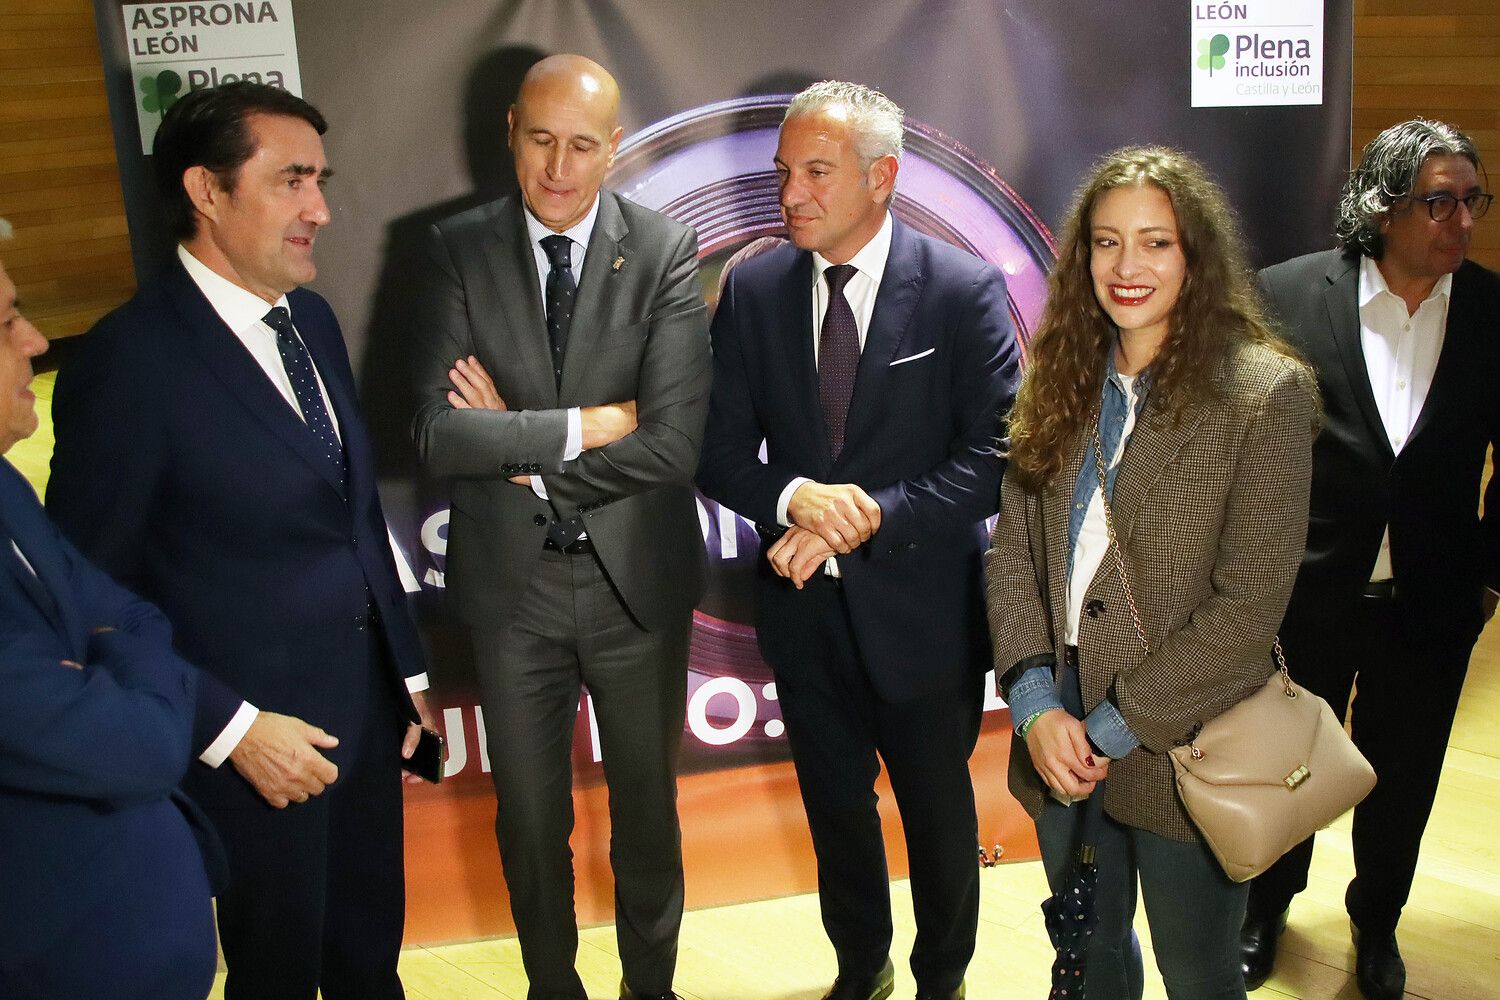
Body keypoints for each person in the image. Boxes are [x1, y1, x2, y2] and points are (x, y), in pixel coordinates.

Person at [46, 83, 433, 1000]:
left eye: (321, 179)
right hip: (254, 760)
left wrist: (405, 673)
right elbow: (86, 593)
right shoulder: (127, 363)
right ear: (206, 191)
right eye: (293, 179)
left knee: (372, 966)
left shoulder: (315, 323)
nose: (322, 209)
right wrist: (228, 730)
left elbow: (353, 521)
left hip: (365, 729)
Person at [697, 81, 1019, 1000]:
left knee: (938, 820)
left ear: (882, 176)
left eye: (815, 172)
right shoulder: (754, 288)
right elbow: (717, 454)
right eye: (783, 171)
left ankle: (941, 980)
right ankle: (860, 967)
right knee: (837, 814)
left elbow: (997, 455)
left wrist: (871, 513)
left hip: (925, 618)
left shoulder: (961, 289)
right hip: (805, 616)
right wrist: (799, 498)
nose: (789, 193)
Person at [986, 147, 1318, 1000]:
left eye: (1154, 243)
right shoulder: (1055, 374)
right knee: (1090, 961)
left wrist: (1110, 727)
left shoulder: (1263, 393)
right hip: (1055, 725)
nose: (1126, 268)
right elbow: (1014, 554)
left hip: (1183, 738)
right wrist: (1034, 706)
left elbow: (1248, 609)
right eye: (1105, 243)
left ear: (1195, 255)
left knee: (1198, 970)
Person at [411, 54, 710, 1000]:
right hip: (514, 594)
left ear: (615, 147)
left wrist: (513, 443)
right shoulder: (454, 249)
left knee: (646, 816)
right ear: (510, 130)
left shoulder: (664, 250)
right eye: (541, 139)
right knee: (530, 822)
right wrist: (580, 427)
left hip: (636, 584)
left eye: (583, 145)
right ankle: (553, 988)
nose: (558, 167)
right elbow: (432, 430)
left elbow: (670, 448)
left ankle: (648, 990)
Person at [1240, 119, 1500, 1000]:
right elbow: (1239, 441)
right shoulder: (1285, 294)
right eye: (1439, 202)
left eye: (1473, 200)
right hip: (1305, 593)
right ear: (1382, 209)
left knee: (1406, 775)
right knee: (1292, 767)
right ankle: (1267, 909)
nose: (1461, 221)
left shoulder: (1494, 311)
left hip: (1431, 600)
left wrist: (1488, 576)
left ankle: (1377, 920)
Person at [0, 248, 218, 1000]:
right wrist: (118, 665)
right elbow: (142, 749)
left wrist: (109, 659)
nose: (34, 341)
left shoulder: (3, 482)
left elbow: (130, 615)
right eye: (5, 324)